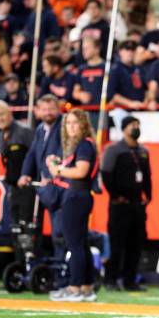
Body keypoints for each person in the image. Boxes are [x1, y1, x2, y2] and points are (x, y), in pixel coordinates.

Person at [47, 108, 98, 302]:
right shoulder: (85, 145)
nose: (71, 127)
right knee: (81, 244)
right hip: (80, 196)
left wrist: (58, 169)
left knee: (74, 244)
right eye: (68, 123)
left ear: (83, 124)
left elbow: (80, 172)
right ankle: (86, 287)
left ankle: (74, 287)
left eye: (75, 123)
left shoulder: (84, 145)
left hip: (76, 197)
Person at [101, 116, 151, 291]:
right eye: (132, 125)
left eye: (138, 124)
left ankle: (130, 280)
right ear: (124, 128)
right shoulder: (114, 150)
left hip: (137, 205)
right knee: (116, 244)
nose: (136, 127)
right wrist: (115, 196)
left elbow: (147, 176)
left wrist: (148, 196)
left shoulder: (143, 151)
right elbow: (106, 174)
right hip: (119, 205)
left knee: (135, 244)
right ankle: (110, 280)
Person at [18, 95, 65, 260]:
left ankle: (61, 269)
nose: (48, 113)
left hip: (59, 187)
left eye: (51, 109)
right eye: (44, 109)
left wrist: (54, 175)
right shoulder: (39, 129)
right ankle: (37, 265)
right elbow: (32, 154)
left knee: (59, 231)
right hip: (42, 186)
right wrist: (24, 174)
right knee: (34, 227)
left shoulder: (64, 127)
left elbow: (63, 154)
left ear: (58, 109)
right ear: (38, 111)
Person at [0, 100, 35, 263]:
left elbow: (36, 156)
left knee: (27, 229)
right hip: (13, 189)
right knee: (15, 229)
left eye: (2, 114)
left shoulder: (25, 132)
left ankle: (31, 268)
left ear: (10, 113)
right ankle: (18, 268)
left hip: (28, 189)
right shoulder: (0, 136)